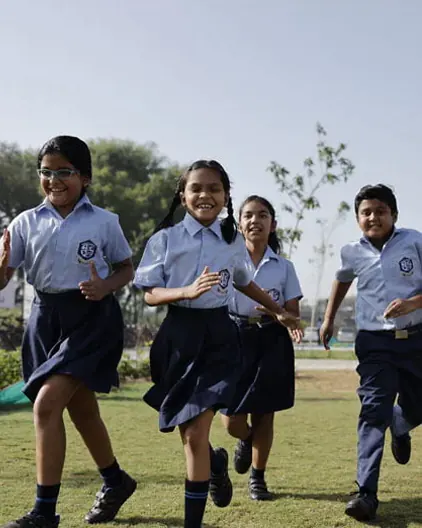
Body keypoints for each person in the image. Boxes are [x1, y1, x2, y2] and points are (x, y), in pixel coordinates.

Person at [134, 161, 301, 528]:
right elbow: (149, 294)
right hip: (177, 337)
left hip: (220, 340)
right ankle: (215, 465)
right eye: (196, 188)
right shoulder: (165, 239)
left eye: (214, 189)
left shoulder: (233, 240)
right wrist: (185, 291)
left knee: (194, 433)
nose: (205, 195)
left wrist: (278, 312)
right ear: (183, 196)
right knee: (187, 429)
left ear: (226, 197)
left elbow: (243, 281)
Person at [0, 136, 137, 528]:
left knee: (46, 405)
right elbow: (3, 278)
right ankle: (116, 481)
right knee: (81, 408)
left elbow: (125, 268)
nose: (54, 179)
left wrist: (105, 286)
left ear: (85, 177)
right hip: (44, 318)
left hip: (92, 319)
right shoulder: (24, 222)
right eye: (46, 172)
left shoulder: (104, 222)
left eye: (64, 172)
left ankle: (44, 512)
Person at [319, 184, 422, 522]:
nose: (373, 217)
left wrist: (412, 303)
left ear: (394, 214)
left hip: (416, 339)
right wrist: (329, 318)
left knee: (417, 405)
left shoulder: (415, 241)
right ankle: (366, 494)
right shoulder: (352, 251)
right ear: (358, 218)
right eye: (366, 212)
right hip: (374, 342)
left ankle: (402, 422)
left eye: (380, 210)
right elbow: (341, 279)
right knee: (373, 410)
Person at [220, 195, 303, 501]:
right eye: (249, 216)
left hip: (271, 341)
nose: (256, 221)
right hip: (233, 338)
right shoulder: (226, 260)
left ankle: (258, 478)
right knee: (231, 419)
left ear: (273, 224)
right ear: (240, 224)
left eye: (263, 215)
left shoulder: (285, 267)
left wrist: (286, 319)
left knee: (265, 414)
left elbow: (292, 311)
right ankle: (245, 440)